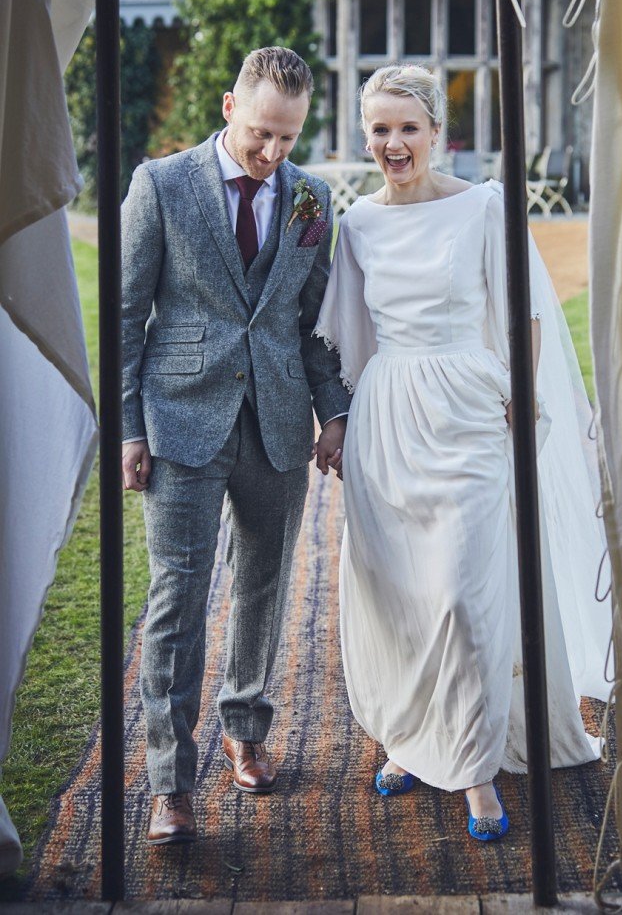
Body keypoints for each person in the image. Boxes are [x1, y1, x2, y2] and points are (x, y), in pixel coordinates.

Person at [315, 64, 612, 841]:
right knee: (403, 596)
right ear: (365, 135)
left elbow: (521, 310)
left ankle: (476, 770)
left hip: (472, 414)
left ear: (435, 135)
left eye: (407, 128)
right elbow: (347, 338)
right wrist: (341, 422)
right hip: (389, 423)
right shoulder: (360, 226)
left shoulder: (483, 207)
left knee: (464, 598)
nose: (393, 143)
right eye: (379, 129)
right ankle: (415, 740)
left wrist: (520, 392)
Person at [121, 47, 350, 846]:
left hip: (279, 422)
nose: (273, 153)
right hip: (180, 418)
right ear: (228, 107)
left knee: (264, 585)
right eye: (260, 134)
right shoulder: (160, 184)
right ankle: (169, 783)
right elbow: (125, 316)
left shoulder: (313, 200)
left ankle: (245, 728)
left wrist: (334, 413)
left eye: (288, 138)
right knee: (176, 598)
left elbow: (310, 322)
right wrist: (129, 425)